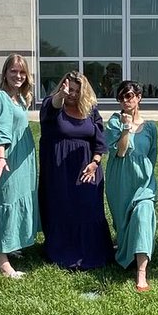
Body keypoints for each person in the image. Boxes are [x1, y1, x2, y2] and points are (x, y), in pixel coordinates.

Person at [38, 71, 114, 270]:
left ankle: (93, 249)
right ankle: (63, 251)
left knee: (89, 209)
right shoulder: (52, 105)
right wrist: (60, 97)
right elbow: (52, 107)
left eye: (76, 91)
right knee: (63, 208)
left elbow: (100, 141)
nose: (71, 94)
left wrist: (95, 162)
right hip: (59, 170)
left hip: (87, 167)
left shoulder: (91, 109)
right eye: (68, 89)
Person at [0, 54, 39, 279]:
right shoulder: (1, 97)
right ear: (5, 73)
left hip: (23, 159)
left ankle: (12, 244)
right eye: (13, 71)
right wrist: (0, 156)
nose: (18, 76)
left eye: (22, 72)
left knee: (19, 199)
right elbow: (1, 128)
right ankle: (2, 260)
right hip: (8, 158)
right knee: (5, 202)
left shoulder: (19, 98)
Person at [104, 80, 158, 291]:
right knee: (125, 224)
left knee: (143, 214)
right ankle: (126, 250)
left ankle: (141, 273)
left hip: (143, 183)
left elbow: (152, 157)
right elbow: (121, 151)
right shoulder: (114, 122)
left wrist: (145, 176)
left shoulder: (151, 127)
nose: (126, 100)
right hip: (120, 182)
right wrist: (126, 127)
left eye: (129, 95)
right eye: (121, 97)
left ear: (138, 97)